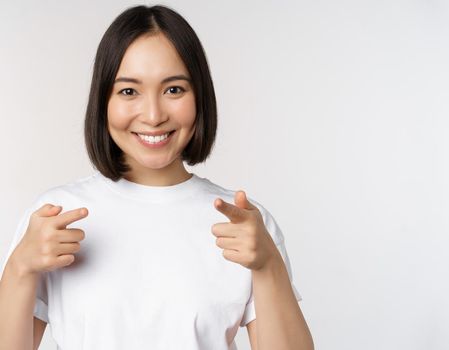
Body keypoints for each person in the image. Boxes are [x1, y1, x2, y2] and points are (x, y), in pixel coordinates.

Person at [0, 5, 314, 350]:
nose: (153, 115)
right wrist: (20, 269)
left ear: (200, 97)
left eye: (174, 90)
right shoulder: (55, 217)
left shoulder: (243, 225)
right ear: (103, 100)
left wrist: (268, 265)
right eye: (129, 91)